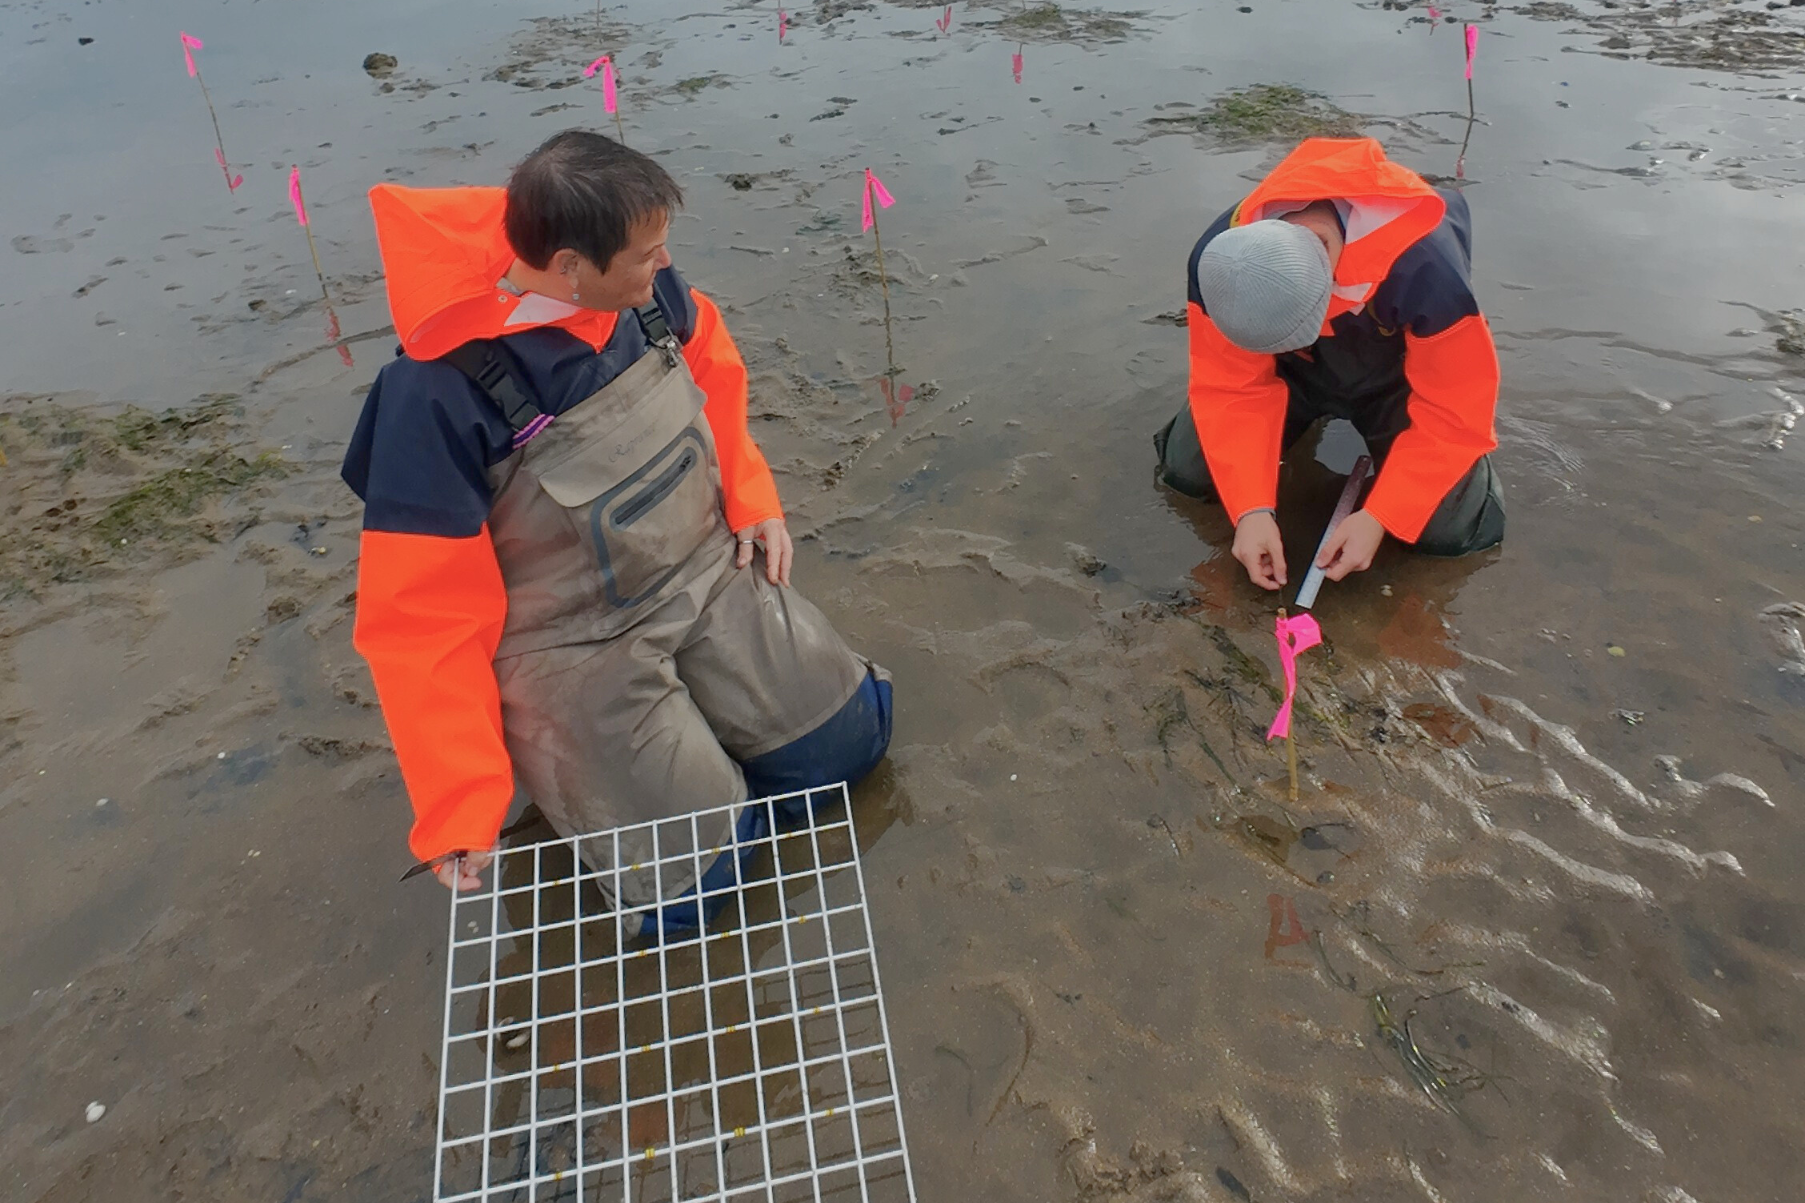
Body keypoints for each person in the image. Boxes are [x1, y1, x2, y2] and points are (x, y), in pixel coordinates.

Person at [341, 130, 893, 936]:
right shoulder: (432, 397)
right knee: (696, 884)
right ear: (570, 267)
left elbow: (715, 375)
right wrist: (460, 801)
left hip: (701, 566)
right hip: (570, 645)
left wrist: (752, 498)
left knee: (849, 745)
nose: (663, 267)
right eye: (645, 254)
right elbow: (419, 617)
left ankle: (713, 742)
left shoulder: (650, 298)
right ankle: (654, 784)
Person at [1153, 137, 1505, 591]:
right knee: (1188, 471)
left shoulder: (1427, 267)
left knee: (1446, 531)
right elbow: (1232, 386)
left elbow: (1455, 409)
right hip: (1294, 370)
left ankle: (1468, 486)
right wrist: (1251, 510)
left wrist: (1381, 516)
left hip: (1398, 381)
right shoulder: (1224, 262)